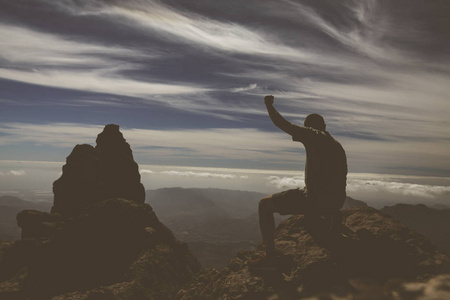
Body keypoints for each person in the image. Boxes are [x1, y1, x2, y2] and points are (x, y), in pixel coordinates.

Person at [254, 95, 347, 265]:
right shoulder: (336, 144)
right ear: (325, 126)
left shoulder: (313, 135)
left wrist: (269, 106)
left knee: (264, 205)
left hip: (316, 198)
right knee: (306, 197)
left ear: (308, 128)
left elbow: (282, 124)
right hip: (336, 200)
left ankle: (271, 256)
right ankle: (328, 214)